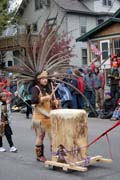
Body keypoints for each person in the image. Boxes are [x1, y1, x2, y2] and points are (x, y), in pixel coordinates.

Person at [31, 71, 59, 162]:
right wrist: (44, 98)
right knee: (40, 136)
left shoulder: (48, 89)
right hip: (38, 116)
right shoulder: (36, 88)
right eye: (43, 78)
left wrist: (55, 102)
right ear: (38, 79)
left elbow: (51, 102)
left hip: (48, 116)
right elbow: (33, 100)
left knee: (53, 135)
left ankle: (55, 155)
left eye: (46, 78)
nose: (45, 80)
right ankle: (39, 155)